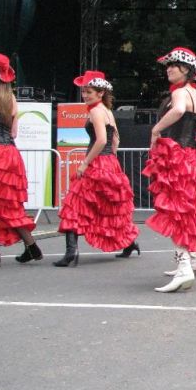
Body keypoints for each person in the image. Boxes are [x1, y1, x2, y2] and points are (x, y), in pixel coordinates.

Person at [142, 47, 196, 292]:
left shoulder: (180, 92)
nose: (168, 69)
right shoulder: (193, 93)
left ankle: (184, 268)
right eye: (168, 65)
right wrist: (194, 132)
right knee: (186, 211)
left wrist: (156, 130)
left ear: (186, 70)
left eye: (173, 65)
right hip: (192, 158)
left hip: (178, 159)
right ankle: (191, 260)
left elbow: (179, 111)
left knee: (175, 213)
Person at [53, 71, 140, 267]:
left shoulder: (96, 112)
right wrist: (111, 159)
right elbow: (115, 139)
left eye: (89, 92)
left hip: (98, 162)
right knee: (109, 206)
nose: (85, 95)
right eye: (83, 91)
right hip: (108, 162)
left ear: (100, 93)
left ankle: (71, 252)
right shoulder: (107, 111)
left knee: (74, 205)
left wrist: (85, 163)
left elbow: (101, 140)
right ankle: (130, 243)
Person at [0, 52, 42, 266]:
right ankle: (30, 247)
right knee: (8, 205)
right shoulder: (11, 98)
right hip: (10, 154)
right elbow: (13, 133)